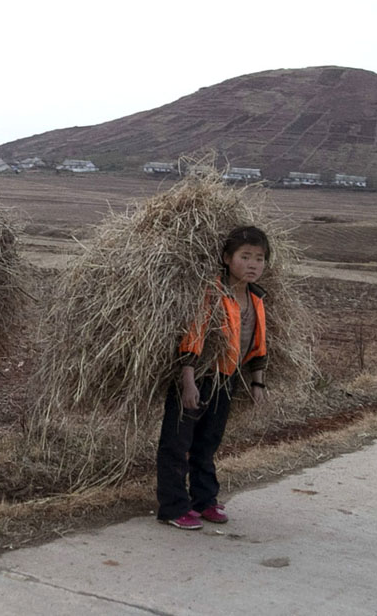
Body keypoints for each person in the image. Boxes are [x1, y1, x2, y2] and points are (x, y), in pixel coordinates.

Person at [156, 225, 270, 529]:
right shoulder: (212, 293)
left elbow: (258, 344)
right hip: (198, 378)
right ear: (226, 258)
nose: (252, 264)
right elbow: (194, 336)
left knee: (208, 443)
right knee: (177, 443)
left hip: (226, 380)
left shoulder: (257, 300)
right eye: (245, 257)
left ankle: (204, 500)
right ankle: (173, 507)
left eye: (259, 258)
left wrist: (257, 382)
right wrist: (188, 380)